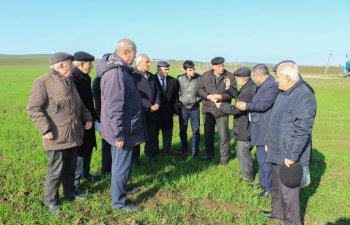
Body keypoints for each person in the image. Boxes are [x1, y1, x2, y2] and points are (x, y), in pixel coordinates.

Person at [27, 52, 93, 213]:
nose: (72, 68)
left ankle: (69, 193)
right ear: (61, 65)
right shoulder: (43, 82)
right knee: (56, 169)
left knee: (70, 167)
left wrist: (87, 118)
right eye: (70, 65)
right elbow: (33, 109)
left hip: (73, 134)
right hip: (56, 136)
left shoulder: (69, 81)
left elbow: (80, 104)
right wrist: (45, 129)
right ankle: (50, 200)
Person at [261, 62, 316, 225]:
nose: (275, 80)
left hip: (289, 152)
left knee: (289, 190)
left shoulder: (304, 95)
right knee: (277, 185)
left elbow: (303, 129)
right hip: (277, 146)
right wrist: (268, 140)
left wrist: (292, 155)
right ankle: (278, 212)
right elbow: (275, 119)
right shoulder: (284, 91)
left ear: (287, 77)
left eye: (277, 77)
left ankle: (292, 221)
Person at [98, 38, 145, 212]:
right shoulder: (116, 73)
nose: (135, 57)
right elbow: (114, 107)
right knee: (121, 166)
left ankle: (120, 191)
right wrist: (118, 134)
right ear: (126, 52)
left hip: (122, 127)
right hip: (121, 130)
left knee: (120, 165)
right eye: (134, 53)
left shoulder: (121, 70)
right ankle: (119, 202)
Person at [236, 64, 280, 198]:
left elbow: (263, 104)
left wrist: (246, 106)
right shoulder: (265, 84)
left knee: (264, 159)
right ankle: (262, 183)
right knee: (261, 158)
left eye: (254, 77)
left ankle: (269, 188)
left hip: (264, 127)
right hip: (259, 126)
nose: (254, 80)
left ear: (259, 75)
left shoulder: (271, 85)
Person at [215, 67, 257, 180]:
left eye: (237, 78)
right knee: (241, 150)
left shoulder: (249, 90)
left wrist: (221, 106)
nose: (237, 80)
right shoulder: (249, 86)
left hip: (245, 127)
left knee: (243, 151)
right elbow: (239, 96)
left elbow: (237, 109)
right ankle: (244, 173)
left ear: (242, 79)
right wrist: (229, 87)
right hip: (244, 125)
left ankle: (247, 178)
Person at [197, 57, 238, 164]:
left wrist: (221, 96)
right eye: (219, 66)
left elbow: (233, 92)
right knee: (208, 135)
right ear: (213, 66)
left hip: (222, 109)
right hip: (208, 110)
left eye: (223, 65)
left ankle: (224, 158)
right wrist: (208, 96)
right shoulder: (205, 75)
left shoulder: (230, 76)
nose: (222, 68)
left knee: (224, 135)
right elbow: (199, 89)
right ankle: (209, 154)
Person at [71, 51, 100, 188]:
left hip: (88, 120)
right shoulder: (73, 78)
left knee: (88, 147)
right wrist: (84, 120)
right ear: (82, 64)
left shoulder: (84, 77)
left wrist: (94, 118)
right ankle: (75, 183)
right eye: (90, 63)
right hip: (80, 122)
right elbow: (76, 104)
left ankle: (85, 174)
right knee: (80, 151)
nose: (92, 66)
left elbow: (88, 102)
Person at [132, 54, 161, 163]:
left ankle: (151, 154)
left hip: (153, 112)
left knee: (152, 134)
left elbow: (157, 91)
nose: (149, 64)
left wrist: (157, 103)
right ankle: (135, 158)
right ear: (139, 63)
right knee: (137, 136)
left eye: (149, 62)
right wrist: (149, 105)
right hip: (140, 112)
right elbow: (135, 95)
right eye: (147, 62)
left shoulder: (151, 76)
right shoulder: (134, 76)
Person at [93, 53, 113, 174]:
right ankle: (107, 169)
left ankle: (107, 168)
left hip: (101, 116)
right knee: (107, 144)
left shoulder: (97, 78)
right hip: (105, 116)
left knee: (107, 143)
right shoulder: (103, 79)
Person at [177, 60, 202, 157]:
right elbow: (177, 92)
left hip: (195, 109)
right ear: (186, 70)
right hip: (182, 109)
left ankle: (195, 151)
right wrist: (181, 100)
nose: (193, 71)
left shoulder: (199, 78)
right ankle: (184, 149)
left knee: (195, 130)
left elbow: (202, 91)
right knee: (183, 130)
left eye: (194, 69)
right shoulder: (179, 78)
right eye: (190, 70)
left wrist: (196, 100)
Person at [155, 61, 179, 154]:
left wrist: (176, 111)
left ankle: (166, 151)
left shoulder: (173, 81)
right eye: (165, 70)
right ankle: (155, 153)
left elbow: (175, 97)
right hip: (155, 114)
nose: (167, 72)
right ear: (158, 70)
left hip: (168, 113)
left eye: (168, 69)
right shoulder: (152, 80)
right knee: (154, 135)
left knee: (168, 133)